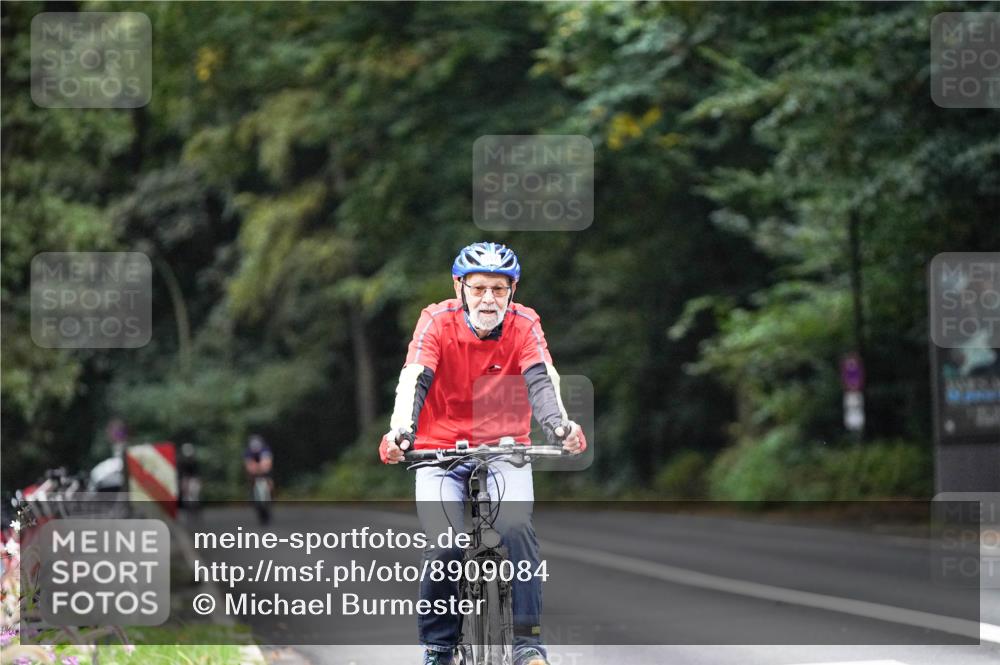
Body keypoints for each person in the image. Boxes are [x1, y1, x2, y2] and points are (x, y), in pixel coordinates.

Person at [380, 242, 586, 665]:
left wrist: (561, 426)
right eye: (478, 288)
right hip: (438, 453)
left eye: (499, 288)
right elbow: (414, 378)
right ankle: (439, 647)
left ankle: (527, 645)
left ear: (512, 290)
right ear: (459, 287)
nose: (488, 299)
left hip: (505, 451)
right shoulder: (435, 322)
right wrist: (401, 431)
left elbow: (541, 380)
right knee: (445, 545)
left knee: (515, 527)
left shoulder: (525, 324)